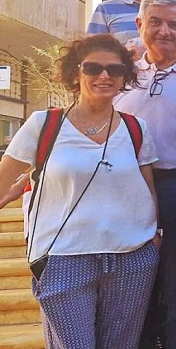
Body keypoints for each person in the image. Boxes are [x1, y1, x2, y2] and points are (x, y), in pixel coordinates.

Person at [0, 35, 159, 349]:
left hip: (131, 257)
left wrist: (154, 237)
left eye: (114, 69)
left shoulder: (136, 128)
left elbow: (148, 190)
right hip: (64, 257)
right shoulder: (43, 125)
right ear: (76, 73)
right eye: (94, 67)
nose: (104, 75)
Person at [112, 0, 176, 349]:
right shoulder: (121, 76)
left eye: (173, 24)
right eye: (155, 22)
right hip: (126, 190)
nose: (164, 31)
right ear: (140, 26)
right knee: (133, 282)